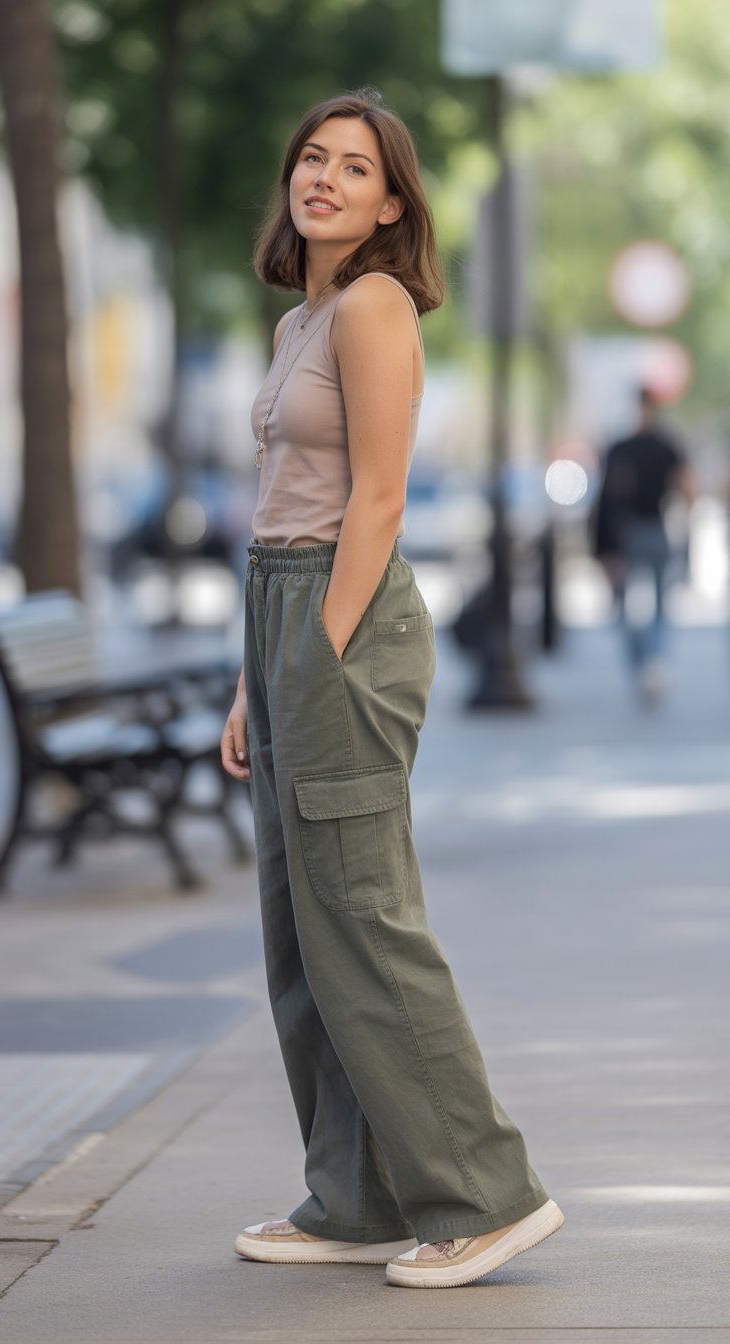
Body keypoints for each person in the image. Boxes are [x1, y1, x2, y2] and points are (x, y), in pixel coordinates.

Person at [220, 88, 563, 1290]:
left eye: (354, 167)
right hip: (282, 609)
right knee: (299, 929)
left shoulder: (372, 306)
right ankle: (354, 1197)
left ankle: (483, 1193)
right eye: (311, 157)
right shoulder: (295, 324)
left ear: (391, 203)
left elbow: (376, 500)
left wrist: (315, 647)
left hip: (343, 612)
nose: (323, 178)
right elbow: (279, 512)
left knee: (362, 915)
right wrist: (254, 683)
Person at [593, 387, 696, 700]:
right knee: (650, 604)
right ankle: (651, 662)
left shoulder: (625, 447)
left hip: (642, 530)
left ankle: (647, 663)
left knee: (644, 604)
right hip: (644, 529)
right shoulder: (659, 445)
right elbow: (687, 489)